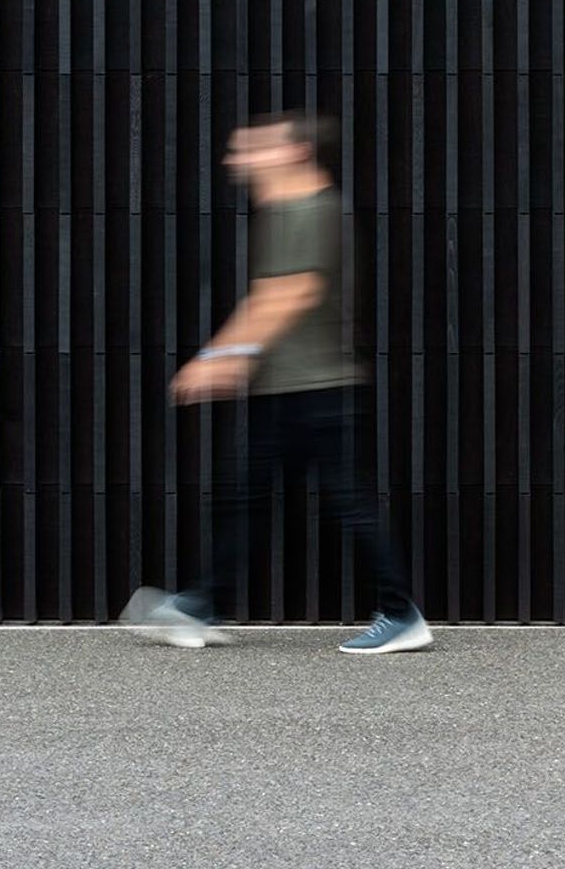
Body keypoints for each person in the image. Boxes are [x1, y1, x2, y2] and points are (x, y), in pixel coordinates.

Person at [120, 112, 431, 655]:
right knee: (247, 494)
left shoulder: (315, 210)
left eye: (251, 149)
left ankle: (402, 614)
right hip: (289, 385)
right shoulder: (286, 211)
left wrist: (220, 357)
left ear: (295, 152)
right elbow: (270, 295)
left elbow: (288, 295)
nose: (235, 160)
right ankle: (200, 604)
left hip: (318, 386)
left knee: (343, 500)